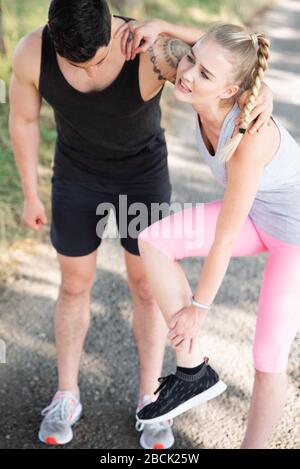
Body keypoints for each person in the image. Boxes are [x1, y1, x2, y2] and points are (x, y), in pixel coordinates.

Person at [9, 0, 273, 448]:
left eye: (94, 61)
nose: (89, 73)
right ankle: (66, 394)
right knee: (74, 285)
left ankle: (152, 400)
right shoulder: (33, 50)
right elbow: (24, 118)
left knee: (146, 288)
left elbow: (218, 60)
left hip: (140, 178)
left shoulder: (150, 51)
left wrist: (257, 91)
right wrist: (31, 193)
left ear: (112, 26)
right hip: (76, 178)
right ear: (54, 34)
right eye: (76, 64)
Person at [136, 24, 300, 449]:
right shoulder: (194, 84)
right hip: (258, 215)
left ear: (231, 90)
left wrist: (198, 309)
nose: (188, 73)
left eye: (205, 74)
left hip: (295, 236)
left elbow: (224, 238)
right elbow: (210, 51)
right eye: (190, 59)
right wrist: (164, 28)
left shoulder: (250, 136)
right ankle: (193, 372)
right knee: (153, 241)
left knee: (267, 358)